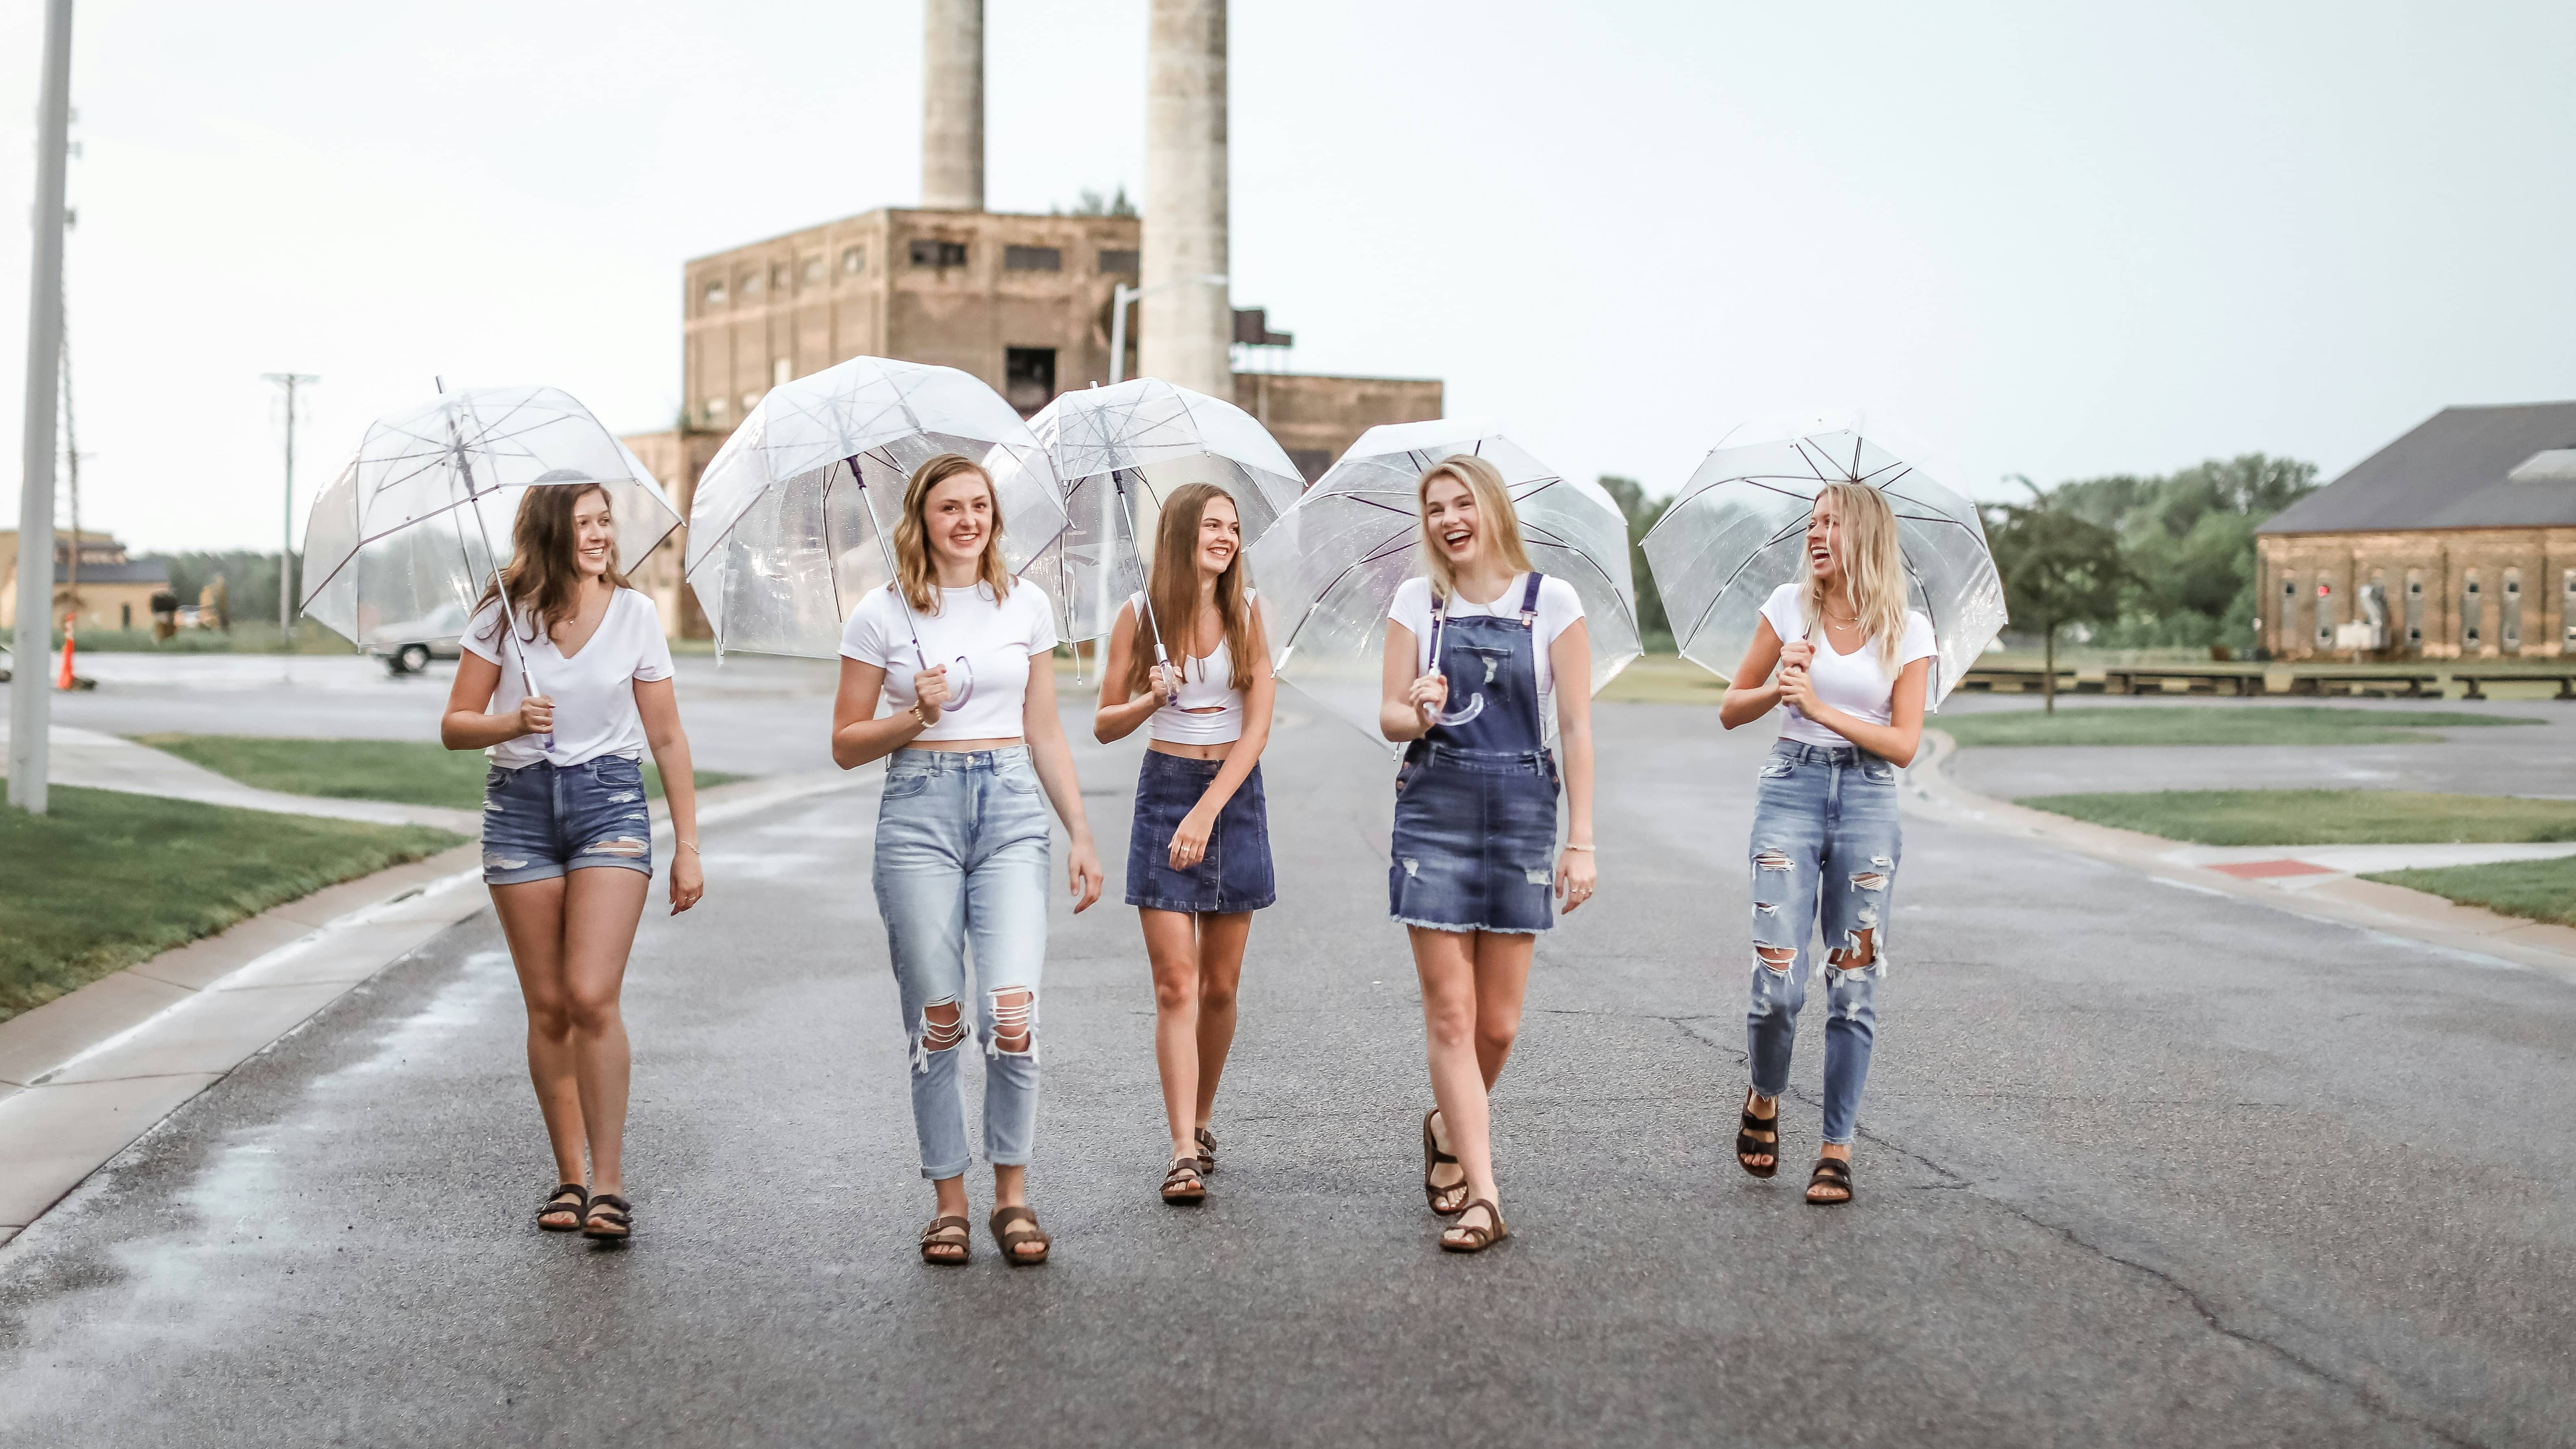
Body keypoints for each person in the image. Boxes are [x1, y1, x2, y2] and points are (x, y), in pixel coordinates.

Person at [831, 452, 1105, 1267]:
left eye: (979, 505)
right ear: (920, 519)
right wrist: (912, 717)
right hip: (919, 812)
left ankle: (1011, 1197)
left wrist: (1080, 831)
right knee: (938, 1018)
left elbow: (1044, 728)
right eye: (949, 507)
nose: (967, 520)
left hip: (1013, 809)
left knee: (1012, 1017)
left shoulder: (1025, 603)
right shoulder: (879, 614)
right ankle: (948, 1202)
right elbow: (845, 743)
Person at [440, 482, 705, 1243]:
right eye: (585, 523)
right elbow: (455, 725)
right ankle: (570, 1176)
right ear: (551, 530)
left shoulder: (635, 615)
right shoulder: (501, 614)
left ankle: (610, 1183)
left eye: (604, 522)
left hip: (609, 804)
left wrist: (688, 845)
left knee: (592, 995)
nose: (600, 535)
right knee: (550, 1005)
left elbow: (667, 737)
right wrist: (510, 720)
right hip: (519, 810)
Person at [1377, 454, 1597, 1253]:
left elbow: (1574, 726)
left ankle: (1445, 1126)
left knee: (1497, 1027)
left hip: (1522, 814)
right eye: (1435, 508)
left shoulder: (1552, 602)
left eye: (1461, 503)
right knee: (1451, 1013)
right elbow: (1387, 717)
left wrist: (1581, 840)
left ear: (1492, 509)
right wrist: (1419, 710)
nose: (1448, 519)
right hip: (1433, 811)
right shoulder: (1417, 602)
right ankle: (1485, 1193)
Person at [1716, 481, 1934, 1206]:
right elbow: (1730, 708)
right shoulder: (1789, 608)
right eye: (1812, 523)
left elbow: (1904, 744)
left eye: (1832, 523)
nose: (1815, 534)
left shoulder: (1908, 630)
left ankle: (1836, 1148)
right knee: (1778, 983)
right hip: (1791, 787)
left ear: (1865, 536)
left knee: (1854, 984)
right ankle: (1765, 1090)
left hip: (1868, 798)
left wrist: (1821, 706)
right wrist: (1780, 689)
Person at [1093, 483, 1278, 1206]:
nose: (1227, 537)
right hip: (1164, 789)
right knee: (1176, 982)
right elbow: (1104, 724)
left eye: (1233, 527)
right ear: (1179, 534)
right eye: (1212, 525)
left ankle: (1201, 1120)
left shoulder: (1250, 611)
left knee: (1220, 986)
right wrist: (1150, 697)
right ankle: (1180, 1152)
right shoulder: (1138, 616)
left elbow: (1257, 728)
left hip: (1230, 795)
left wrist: (1206, 811)